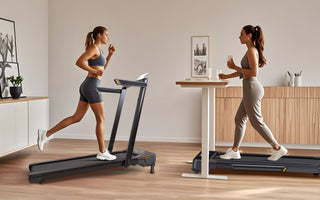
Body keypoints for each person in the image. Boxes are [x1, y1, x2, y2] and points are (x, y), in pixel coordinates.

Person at [37, 26, 117, 161]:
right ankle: (102, 151)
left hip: (88, 85)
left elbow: (102, 69)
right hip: (92, 86)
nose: (108, 38)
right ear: (99, 35)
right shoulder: (93, 48)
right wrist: (94, 71)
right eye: (106, 35)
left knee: (77, 117)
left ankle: (46, 134)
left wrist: (110, 55)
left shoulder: (100, 50)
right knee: (101, 119)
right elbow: (79, 62)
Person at [219, 25, 288, 161]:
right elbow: (244, 71)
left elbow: (253, 73)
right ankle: (235, 150)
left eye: (241, 34)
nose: (239, 37)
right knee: (239, 119)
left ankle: (278, 148)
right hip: (249, 89)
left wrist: (235, 66)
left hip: (252, 89)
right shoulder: (249, 51)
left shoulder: (251, 50)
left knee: (256, 122)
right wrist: (226, 76)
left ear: (249, 35)